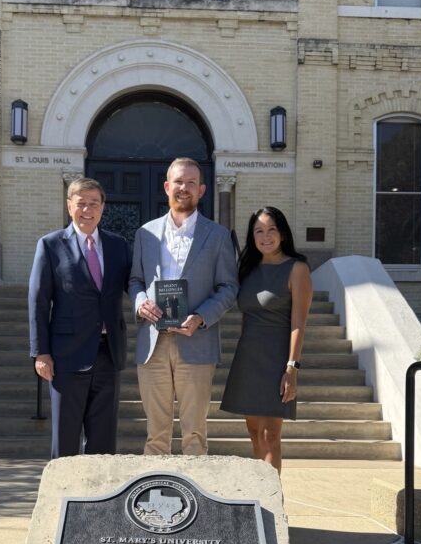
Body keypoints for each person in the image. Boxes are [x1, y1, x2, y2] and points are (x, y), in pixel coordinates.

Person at [129, 157, 239, 455]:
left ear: (202, 190)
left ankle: (196, 501)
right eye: (178, 181)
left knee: (194, 433)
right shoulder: (145, 233)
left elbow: (229, 287)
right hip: (154, 343)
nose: (184, 188)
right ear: (167, 187)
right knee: (155, 434)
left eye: (191, 182)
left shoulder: (216, 235)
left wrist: (202, 317)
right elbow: (136, 280)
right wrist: (140, 303)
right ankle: (153, 498)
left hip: (197, 340)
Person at [28, 176, 131, 459]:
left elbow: (135, 285)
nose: (88, 210)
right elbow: (38, 300)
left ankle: (99, 499)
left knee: (103, 439)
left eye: (94, 204)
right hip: (66, 356)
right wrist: (41, 352)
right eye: (81, 203)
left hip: (109, 354)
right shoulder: (50, 245)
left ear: (103, 207)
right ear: (69, 205)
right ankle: (63, 498)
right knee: (66, 438)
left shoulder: (118, 245)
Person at [220, 206, 313, 473]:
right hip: (248, 355)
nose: (265, 236)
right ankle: (260, 490)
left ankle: (271, 500)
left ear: (282, 233)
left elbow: (299, 323)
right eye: (259, 231)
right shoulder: (247, 268)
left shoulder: (297, 269)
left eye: (271, 229)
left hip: (277, 359)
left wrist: (291, 368)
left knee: (271, 434)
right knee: (252, 431)